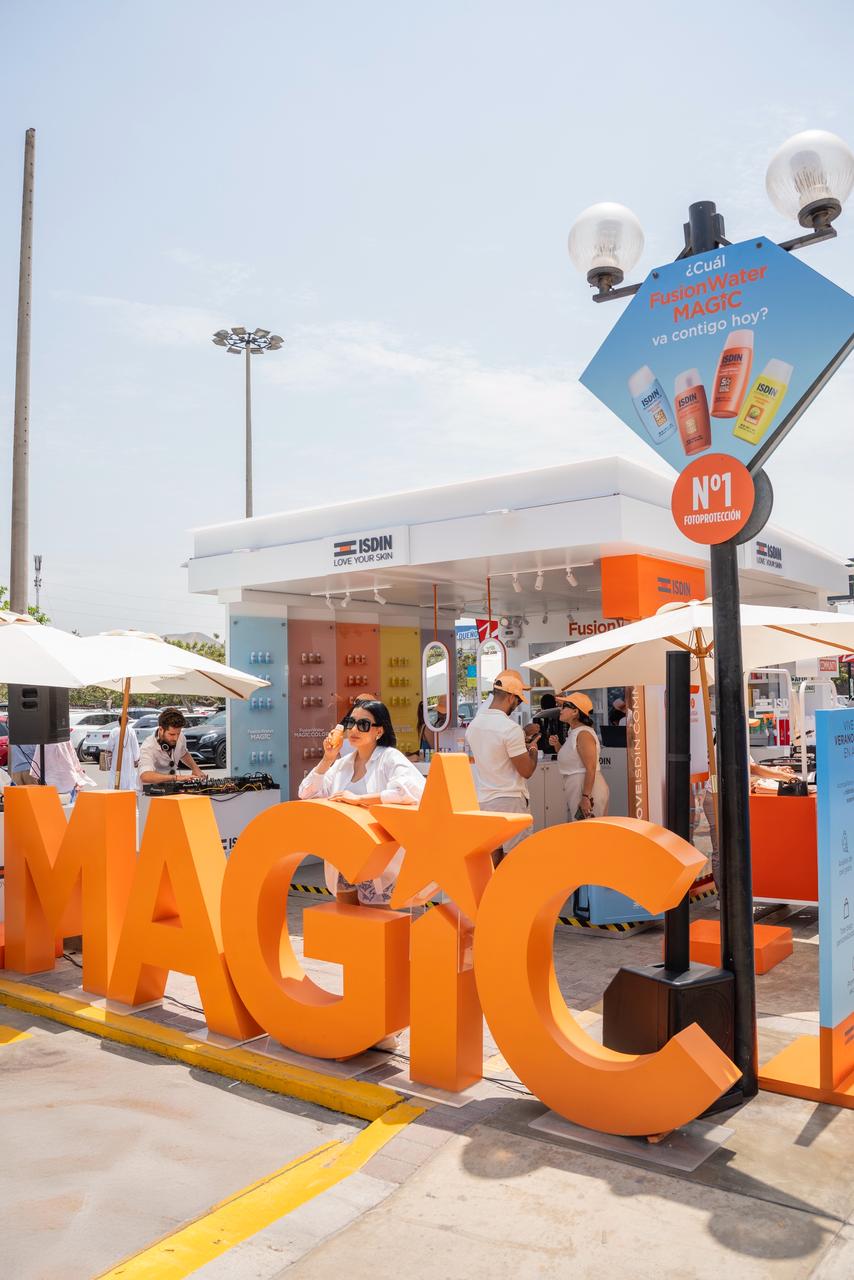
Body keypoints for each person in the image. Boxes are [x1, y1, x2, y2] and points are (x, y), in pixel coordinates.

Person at [298, 699, 425, 905]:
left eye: (363, 724)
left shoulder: (389, 758)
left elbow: (410, 792)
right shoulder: (342, 764)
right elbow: (306, 792)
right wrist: (327, 759)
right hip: (343, 852)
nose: (354, 729)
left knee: (375, 915)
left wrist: (359, 800)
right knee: (346, 913)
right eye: (351, 723)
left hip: (379, 855)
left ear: (379, 731)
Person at [465, 670, 539, 861]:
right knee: (515, 860)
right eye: (518, 700)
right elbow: (526, 770)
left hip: (484, 800)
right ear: (511, 697)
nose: (517, 705)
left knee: (493, 858)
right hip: (510, 800)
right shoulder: (510, 728)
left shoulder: (474, 726)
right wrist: (532, 749)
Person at [550, 691, 609, 820]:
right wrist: (557, 745)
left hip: (585, 788)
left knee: (588, 829)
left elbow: (591, 768)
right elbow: (572, 759)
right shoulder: (575, 732)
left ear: (575, 712)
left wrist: (586, 796)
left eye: (564, 707)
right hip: (580, 786)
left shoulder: (583, 734)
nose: (561, 710)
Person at [137, 708, 207, 789]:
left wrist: (196, 769)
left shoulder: (180, 737)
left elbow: (183, 753)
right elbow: (145, 776)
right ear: (161, 730)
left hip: (171, 788)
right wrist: (176, 778)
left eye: (178, 733)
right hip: (150, 792)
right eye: (172, 734)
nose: (176, 738)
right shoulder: (148, 747)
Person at [106, 719, 140, 791]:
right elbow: (135, 746)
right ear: (127, 722)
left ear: (119, 722)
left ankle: (115, 788)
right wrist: (136, 758)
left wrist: (109, 750)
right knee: (128, 774)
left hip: (117, 757)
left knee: (116, 773)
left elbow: (110, 746)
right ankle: (128, 789)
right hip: (129, 758)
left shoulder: (114, 731)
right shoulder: (131, 731)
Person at [532, 693, 561, 759]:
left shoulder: (537, 716)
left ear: (541, 705)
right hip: (558, 750)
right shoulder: (561, 715)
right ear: (555, 704)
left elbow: (535, 734)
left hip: (542, 752)